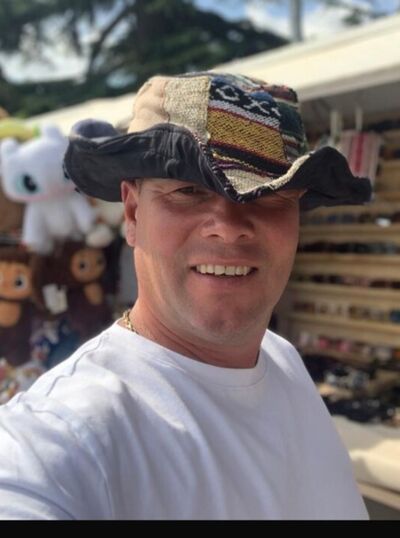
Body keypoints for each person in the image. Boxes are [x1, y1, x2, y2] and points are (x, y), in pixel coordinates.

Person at [0, 72, 371, 520]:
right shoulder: (65, 436)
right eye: (189, 191)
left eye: (269, 195)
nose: (229, 226)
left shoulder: (283, 361)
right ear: (132, 212)